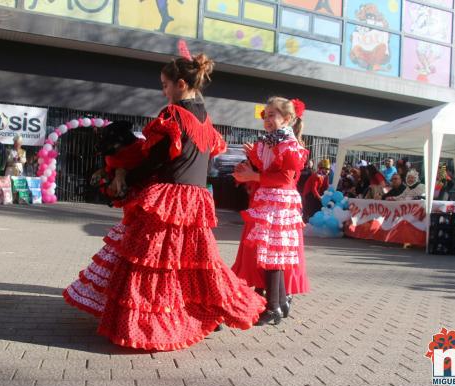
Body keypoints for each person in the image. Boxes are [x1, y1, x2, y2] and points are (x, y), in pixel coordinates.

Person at [63, 52, 265, 350]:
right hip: (196, 199)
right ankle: (210, 311)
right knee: (196, 263)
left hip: (170, 197)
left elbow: (155, 160)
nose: (163, 91)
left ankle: (153, 324)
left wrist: (125, 176)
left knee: (151, 262)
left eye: (165, 85)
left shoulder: (172, 116)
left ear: (181, 84)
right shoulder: (207, 121)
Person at [231, 96, 310, 326]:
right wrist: (251, 163)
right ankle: (281, 302)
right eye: (265, 115)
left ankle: (273, 307)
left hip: (278, 202)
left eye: (272, 114)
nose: (267, 119)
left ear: (286, 118)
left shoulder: (288, 144)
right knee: (272, 253)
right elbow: (268, 168)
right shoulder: (271, 142)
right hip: (269, 200)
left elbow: (286, 178)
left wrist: (253, 175)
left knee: (273, 255)